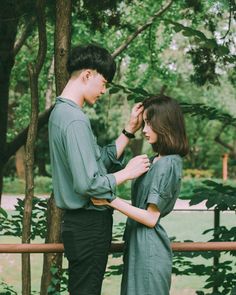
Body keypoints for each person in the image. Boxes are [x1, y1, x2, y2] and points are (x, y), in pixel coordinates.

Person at [48, 43, 150, 295]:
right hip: (88, 225)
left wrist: (128, 130)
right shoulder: (74, 119)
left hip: (77, 225)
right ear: (87, 75)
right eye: (104, 83)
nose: (104, 90)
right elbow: (87, 183)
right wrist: (127, 173)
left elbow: (93, 164)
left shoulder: (60, 113)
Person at [92, 95, 189, 295]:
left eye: (149, 124)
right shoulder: (155, 160)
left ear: (165, 124)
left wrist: (111, 200)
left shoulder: (168, 163)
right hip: (138, 248)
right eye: (144, 123)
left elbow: (151, 218)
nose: (144, 130)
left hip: (149, 252)